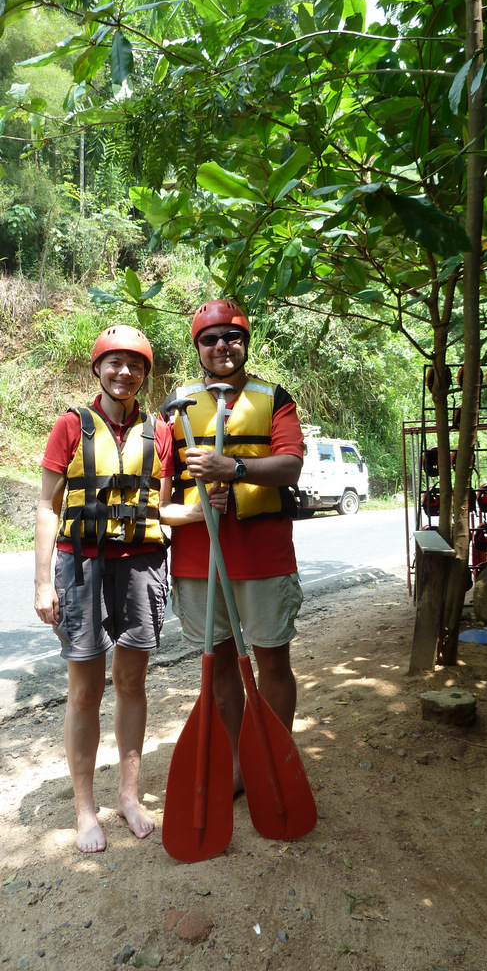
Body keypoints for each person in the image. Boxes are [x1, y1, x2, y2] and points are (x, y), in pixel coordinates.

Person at [34, 325, 173, 854]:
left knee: (132, 682)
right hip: (82, 566)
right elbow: (47, 507)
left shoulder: (159, 431)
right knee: (85, 691)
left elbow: (162, 507)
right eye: (114, 362)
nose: (124, 372)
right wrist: (43, 582)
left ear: (145, 375)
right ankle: (84, 809)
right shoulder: (72, 425)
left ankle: (129, 798)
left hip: (141, 566)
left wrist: (210, 507)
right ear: (97, 368)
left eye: (135, 365)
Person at [160, 300, 304, 795]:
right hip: (198, 559)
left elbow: (291, 466)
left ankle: (274, 758)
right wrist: (191, 508)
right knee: (220, 664)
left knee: (272, 662)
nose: (222, 345)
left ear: (245, 343)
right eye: (210, 338)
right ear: (197, 347)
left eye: (232, 336)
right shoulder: (175, 406)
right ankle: (239, 762)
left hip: (263, 556)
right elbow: (160, 489)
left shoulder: (274, 398)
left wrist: (234, 469)